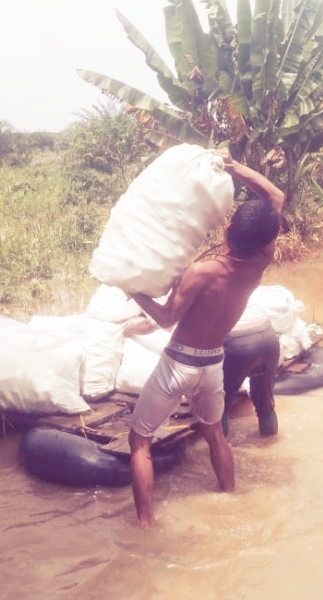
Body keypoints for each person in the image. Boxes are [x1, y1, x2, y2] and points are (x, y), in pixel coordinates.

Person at [126, 151, 285, 526]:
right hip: (214, 363)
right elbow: (275, 198)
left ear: (228, 231)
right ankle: (230, 500)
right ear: (264, 239)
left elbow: (165, 318)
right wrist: (232, 167)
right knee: (214, 433)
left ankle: (146, 525)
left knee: (140, 442)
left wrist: (132, 289)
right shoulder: (261, 262)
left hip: (179, 363)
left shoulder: (203, 272)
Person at [222, 312, 280, 437]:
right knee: (265, 405)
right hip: (267, 335)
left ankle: (213, 454)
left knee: (218, 408)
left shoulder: (196, 292)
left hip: (235, 340)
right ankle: (269, 445)